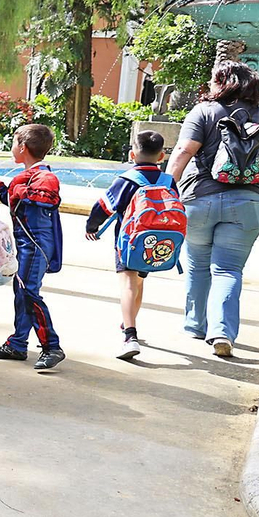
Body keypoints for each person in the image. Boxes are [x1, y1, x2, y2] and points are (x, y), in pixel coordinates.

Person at [166, 60, 259, 357]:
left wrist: (166, 187)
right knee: (228, 269)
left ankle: (195, 325)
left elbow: (183, 151)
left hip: (199, 200)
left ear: (220, 82)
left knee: (197, 262)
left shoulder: (203, 112)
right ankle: (222, 332)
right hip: (248, 203)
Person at [0, 123, 66, 370]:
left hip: (36, 244)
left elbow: (48, 198)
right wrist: (0, 186)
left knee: (28, 293)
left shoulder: (44, 176)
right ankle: (18, 343)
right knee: (22, 292)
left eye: (14, 142)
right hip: (28, 244)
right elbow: (17, 200)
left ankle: (51, 346)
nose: (11, 147)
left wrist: (19, 187)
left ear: (23, 147)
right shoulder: (30, 176)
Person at [86, 130, 172, 360]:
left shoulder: (127, 180)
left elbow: (103, 207)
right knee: (139, 282)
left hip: (128, 241)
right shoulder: (168, 180)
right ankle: (129, 324)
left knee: (127, 283)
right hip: (157, 242)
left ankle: (130, 335)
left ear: (132, 154)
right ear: (161, 156)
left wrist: (91, 227)